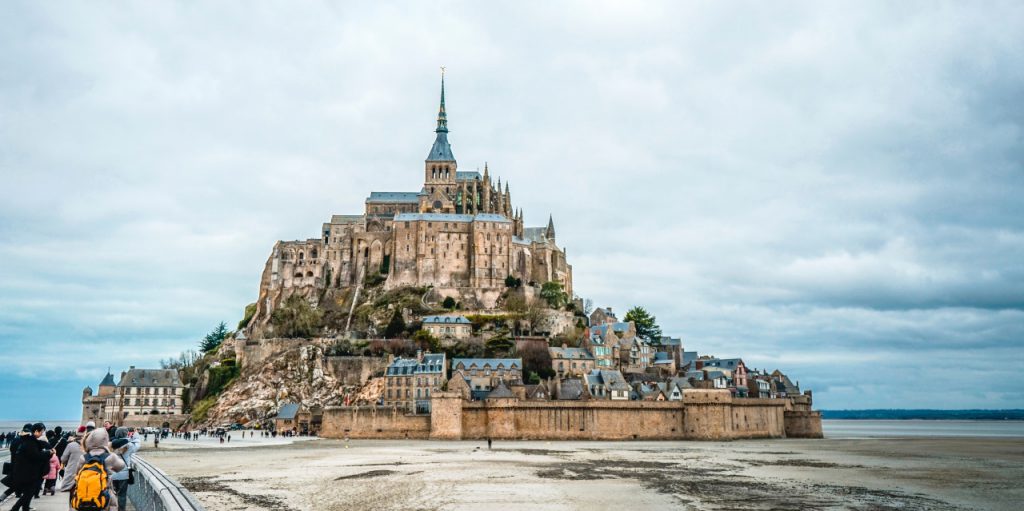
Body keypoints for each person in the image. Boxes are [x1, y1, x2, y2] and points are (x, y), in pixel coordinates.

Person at [75, 427, 126, 511]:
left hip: (85, 495)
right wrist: (110, 450)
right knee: (112, 505)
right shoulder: (110, 457)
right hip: (104, 493)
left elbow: (77, 473)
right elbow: (121, 466)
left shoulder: (83, 457)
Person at [8, 423, 52, 511]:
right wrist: (48, 453)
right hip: (28, 472)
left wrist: (47, 449)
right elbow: (35, 456)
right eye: (41, 432)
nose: (42, 434)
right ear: (36, 431)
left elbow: (38, 448)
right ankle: (14, 508)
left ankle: (25, 508)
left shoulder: (29, 440)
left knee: (29, 491)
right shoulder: (30, 442)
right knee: (29, 492)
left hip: (25, 471)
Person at [109, 427, 139, 511]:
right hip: (123, 474)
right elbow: (137, 445)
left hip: (112, 473)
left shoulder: (110, 445)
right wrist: (135, 435)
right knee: (122, 495)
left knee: (112, 494)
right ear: (126, 434)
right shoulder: (129, 445)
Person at [59, 431, 84, 506]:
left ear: (75, 436)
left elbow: (63, 459)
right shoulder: (88, 445)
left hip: (73, 469)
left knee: (70, 487)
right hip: (84, 470)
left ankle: (72, 503)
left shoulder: (71, 445)